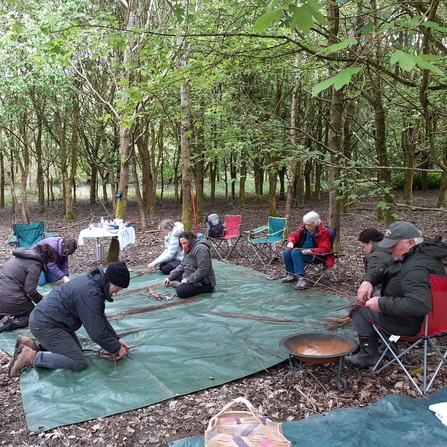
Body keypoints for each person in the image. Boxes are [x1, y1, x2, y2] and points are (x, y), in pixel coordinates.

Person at [348, 221, 447, 368]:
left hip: (412, 325)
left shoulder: (415, 269)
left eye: (394, 245)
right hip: (437, 321)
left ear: (411, 242)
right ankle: (389, 349)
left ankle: (368, 356)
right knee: (375, 293)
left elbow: (419, 305)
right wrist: (367, 280)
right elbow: (386, 265)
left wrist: (381, 304)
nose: (389, 249)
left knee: (358, 307)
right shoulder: (423, 255)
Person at [9, 262, 131, 377]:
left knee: (76, 350)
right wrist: (116, 348)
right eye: (119, 289)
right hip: (45, 325)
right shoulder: (90, 294)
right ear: (113, 282)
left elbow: (99, 318)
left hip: (50, 321)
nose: (117, 292)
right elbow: (97, 333)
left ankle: (32, 344)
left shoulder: (93, 283)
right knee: (78, 362)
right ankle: (30, 357)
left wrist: (116, 340)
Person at [0, 244, 57, 332]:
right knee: (36, 314)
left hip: (3, 294)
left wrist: (37, 295)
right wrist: (41, 301)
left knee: (7, 309)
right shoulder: (35, 265)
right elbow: (29, 290)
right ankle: (13, 323)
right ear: (45, 258)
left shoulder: (19, 257)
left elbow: (18, 283)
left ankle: (6, 316)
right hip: (10, 299)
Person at [281, 211, 334, 290]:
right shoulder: (303, 228)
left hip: (316, 256)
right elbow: (293, 236)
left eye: (309, 225)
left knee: (295, 253)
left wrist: (311, 251)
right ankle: (291, 274)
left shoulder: (324, 232)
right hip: (301, 252)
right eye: (305, 224)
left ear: (316, 224)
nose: (307, 226)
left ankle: (302, 279)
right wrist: (291, 242)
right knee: (286, 252)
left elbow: (324, 249)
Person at [164, 231, 216, 299]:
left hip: (204, 282)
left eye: (185, 243)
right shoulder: (188, 248)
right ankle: (182, 284)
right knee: (174, 277)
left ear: (191, 240)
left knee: (181, 291)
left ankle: (182, 285)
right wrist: (169, 277)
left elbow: (203, 270)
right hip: (192, 275)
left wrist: (188, 280)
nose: (183, 246)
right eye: (181, 244)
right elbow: (182, 265)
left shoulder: (201, 249)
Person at [358, 228, 393, 295]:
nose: (364, 250)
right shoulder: (389, 249)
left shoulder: (375, 257)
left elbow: (375, 280)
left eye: (364, 246)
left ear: (371, 242)